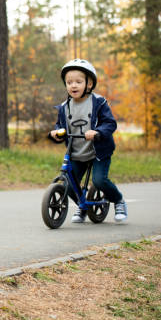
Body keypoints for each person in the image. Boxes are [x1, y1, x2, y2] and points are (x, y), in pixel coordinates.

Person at [49, 59, 127, 223]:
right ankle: (83, 206)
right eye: (69, 82)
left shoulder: (98, 102)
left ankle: (118, 201)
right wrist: (56, 133)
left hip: (98, 151)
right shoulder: (65, 107)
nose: (73, 86)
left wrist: (97, 132)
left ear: (89, 84)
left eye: (78, 81)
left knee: (99, 180)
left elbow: (110, 123)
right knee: (69, 184)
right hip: (77, 151)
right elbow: (61, 125)